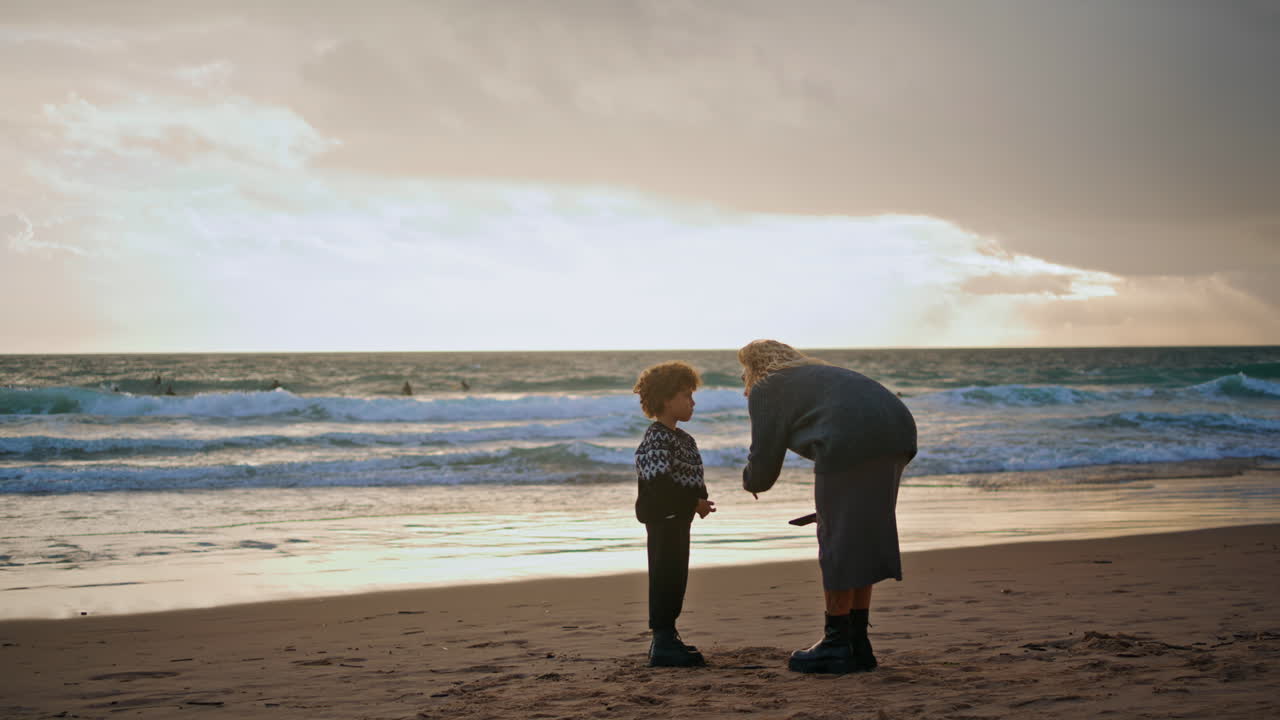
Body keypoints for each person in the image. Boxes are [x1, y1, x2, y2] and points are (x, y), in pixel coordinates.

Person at [738, 340, 917, 674]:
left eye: (743, 374)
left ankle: (835, 644)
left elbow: (764, 459)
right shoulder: (817, 374)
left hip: (851, 443)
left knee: (837, 540)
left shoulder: (767, 384)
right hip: (898, 434)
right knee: (861, 538)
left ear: (751, 367)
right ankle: (857, 643)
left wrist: (750, 482)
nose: (744, 383)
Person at [632, 361, 716, 667]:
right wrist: (691, 504)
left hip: (680, 519)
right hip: (663, 519)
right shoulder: (656, 438)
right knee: (665, 575)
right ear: (667, 399)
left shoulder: (683, 439)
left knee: (677, 575)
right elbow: (660, 486)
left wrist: (701, 500)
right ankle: (662, 640)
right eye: (686, 396)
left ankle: (669, 635)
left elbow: (692, 477)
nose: (692, 402)